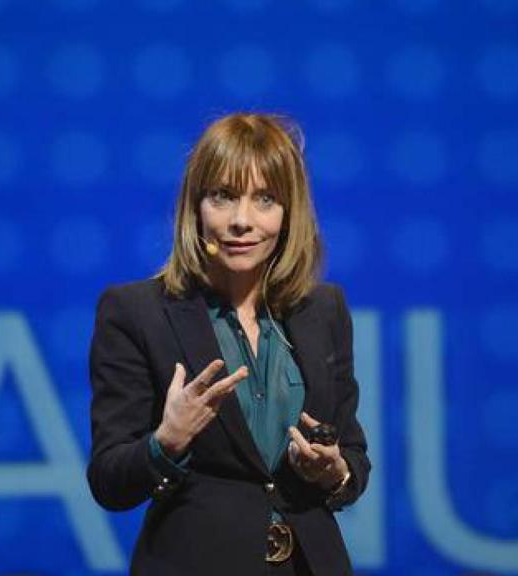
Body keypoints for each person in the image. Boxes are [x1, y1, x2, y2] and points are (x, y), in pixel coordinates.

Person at [87, 112, 370, 576]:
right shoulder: (136, 312)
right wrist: (166, 442)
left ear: (289, 212)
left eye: (265, 199)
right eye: (223, 196)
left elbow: (353, 456)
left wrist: (333, 471)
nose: (243, 221)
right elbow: (109, 481)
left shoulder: (324, 309)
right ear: (195, 207)